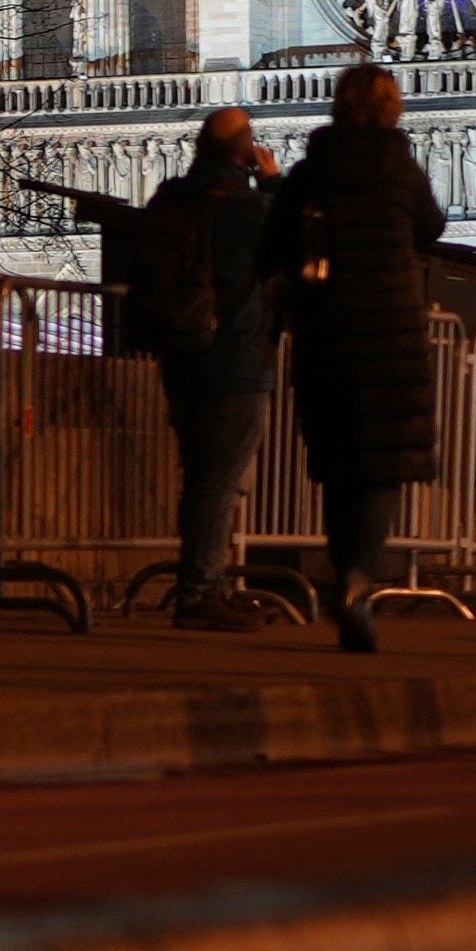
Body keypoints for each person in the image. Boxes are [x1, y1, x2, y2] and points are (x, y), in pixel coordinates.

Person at [271, 59, 451, 649]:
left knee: (337, 460)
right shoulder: (400, 171)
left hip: (326, 331)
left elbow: (279, 236)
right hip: (390, 333)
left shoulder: (311, 171)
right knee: (382, 466)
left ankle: (341, 574)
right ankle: (356, 578)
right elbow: (431, 227)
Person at [135, 106, 290, 625]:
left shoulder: (171, 198)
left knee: (202, 474)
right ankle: (200, 592)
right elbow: (289, 250)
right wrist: (272, 185)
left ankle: (207, 584)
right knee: (217, 480)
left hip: (181, 348)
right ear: (245, 151)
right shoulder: (248, 208)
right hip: (235, 357)